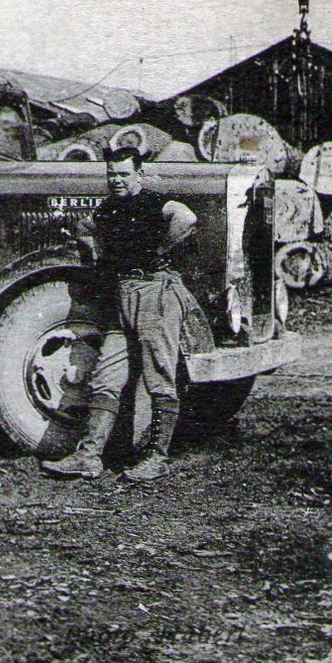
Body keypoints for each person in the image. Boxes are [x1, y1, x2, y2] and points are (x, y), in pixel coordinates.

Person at [42, 147, 207, 482]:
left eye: (123, 174)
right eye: (111, 174)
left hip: (155, 292)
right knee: (107, 374)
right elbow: (85, 227)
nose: (116, 180)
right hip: (123, 295)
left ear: (139, 174)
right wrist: (90, 244)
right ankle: (88, 457)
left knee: (159, 374)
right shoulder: (109, 208)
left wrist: (159, 250)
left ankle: (157, 458)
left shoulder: (152, 201)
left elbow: (186, 218)